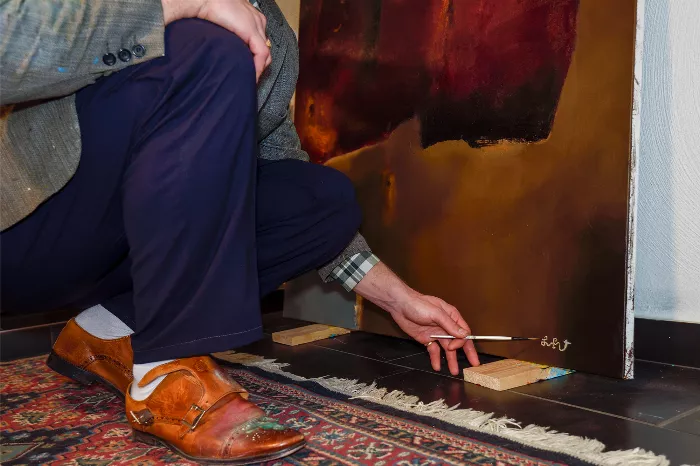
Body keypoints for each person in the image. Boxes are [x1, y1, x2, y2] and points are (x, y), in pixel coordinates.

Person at [0, 0, 480, 462]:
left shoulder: (271, 30)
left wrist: (397, 298)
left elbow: (272, 164)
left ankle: (107, 328)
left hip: (119, 246)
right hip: (27, 230)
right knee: (207, 46)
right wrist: (183, 4)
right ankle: (171, 367)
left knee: (321, 201)